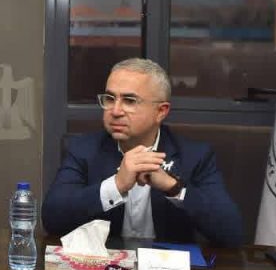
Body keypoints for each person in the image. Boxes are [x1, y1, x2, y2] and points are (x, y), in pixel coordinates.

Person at [42, 58, 244, 247]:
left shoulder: (195, 156)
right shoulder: (84, 149)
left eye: (129, 101)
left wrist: (172, 187)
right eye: (110, 99)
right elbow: (52, 219)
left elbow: (232, 233)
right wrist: (115, 185)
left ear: (161, 111)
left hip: (167, 268)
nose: (115, 111)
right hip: (105, 267)